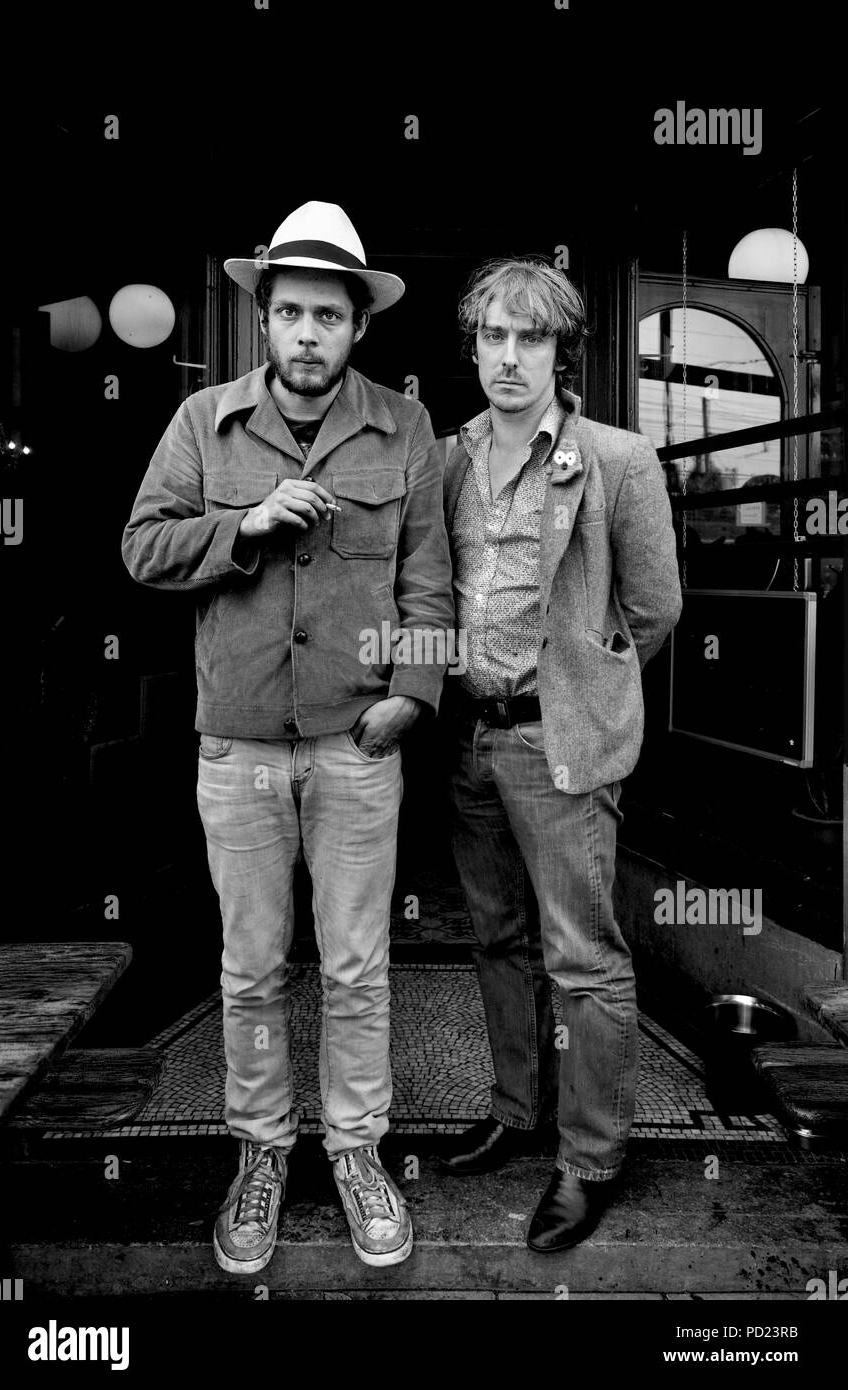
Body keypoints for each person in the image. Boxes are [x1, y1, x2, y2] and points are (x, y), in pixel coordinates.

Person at [122, 201, 454, 1273]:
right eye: (291, 312)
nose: (309, 332)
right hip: (242, 748)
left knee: (358, 967)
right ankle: (261, 1155)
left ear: (360, 328)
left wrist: (413, 692)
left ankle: (357, 1151)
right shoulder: (201, 423)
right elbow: (142, 550)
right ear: (263, 319)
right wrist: (243, 527)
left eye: (330, 315)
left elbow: (430, 583)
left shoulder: (406, 429)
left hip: (360, 744)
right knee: (252, 968)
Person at [440, 256, 682, 1252]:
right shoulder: (447, 456)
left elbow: (654, 609)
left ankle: (589, 1160)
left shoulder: (619, 458)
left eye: (528, 337)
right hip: (470, 740)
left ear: (559, 348)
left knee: (582, 957)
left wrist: (584, 684)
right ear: (474, 346)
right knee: (495, 938)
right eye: (493, 335)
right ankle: (515, 1108)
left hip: (561, 742)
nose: (508, 356)